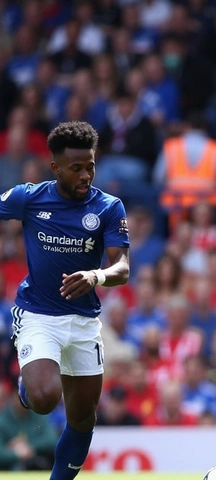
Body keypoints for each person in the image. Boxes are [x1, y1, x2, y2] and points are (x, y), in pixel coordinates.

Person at [0, 121, 130, 479]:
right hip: (38, 314)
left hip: (84, 321)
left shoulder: (108, 207)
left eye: (90, 165)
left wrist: (96, 275)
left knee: (83, 418)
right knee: (44, 399)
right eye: (76, 168)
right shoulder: (29, 198)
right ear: (55, 167)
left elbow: (123, 267)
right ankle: (27, 388)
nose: (85, 174)